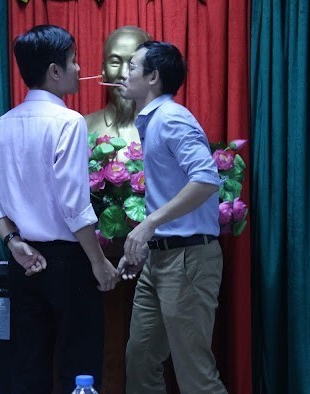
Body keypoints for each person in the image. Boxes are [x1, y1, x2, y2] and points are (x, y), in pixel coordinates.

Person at [0, 24, 119, 394]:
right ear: (54, 71)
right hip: (68, 261)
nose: (79, 68)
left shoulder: (0, 125)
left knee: (28, 365)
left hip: (22, 258)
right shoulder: (69, 122)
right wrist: (98, 261)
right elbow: (73, 203)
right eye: (74, 61)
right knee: (80, 366)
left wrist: (12, 242)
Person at [117, 41, 227, 393]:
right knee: (140, 361)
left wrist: (148, 224)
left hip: (188, 259)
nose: (123, 74)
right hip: (159, 259)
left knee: (195, 375)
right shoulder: (152, 120)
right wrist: (146, 242)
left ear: (153, 77)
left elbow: (206, 179)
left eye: (131, 67)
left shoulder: (172, 118)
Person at [84, 26, 151, 150]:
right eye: (115, 62)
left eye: (133, 64)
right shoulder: (82, 127)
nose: (123, 73)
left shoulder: (164, 128)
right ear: (103, 70)